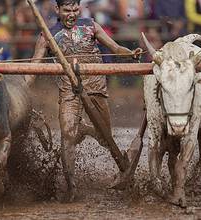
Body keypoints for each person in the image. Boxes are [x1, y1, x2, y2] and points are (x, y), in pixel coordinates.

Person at [29, 0, 142, 201]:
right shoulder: (48, 35)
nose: (71, 14)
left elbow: (116, 48)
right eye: (66, 10)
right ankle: (71, 187)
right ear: (57, 10)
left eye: (74, 10)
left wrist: (131, 54)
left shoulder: (91, 26)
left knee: (105, 137)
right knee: (67, 135)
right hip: (69, 92)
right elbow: (33, 68)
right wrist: (20, 85)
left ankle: (89, 130)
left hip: (96, 89)